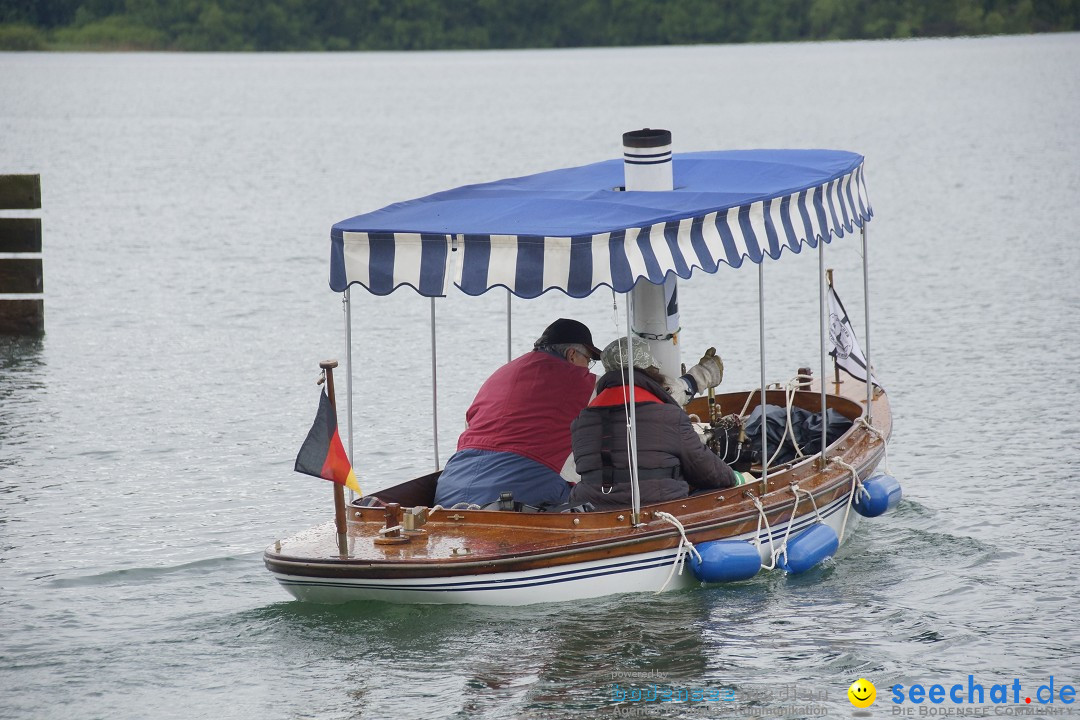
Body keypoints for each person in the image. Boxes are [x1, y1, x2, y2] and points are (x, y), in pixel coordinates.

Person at [433, 318, 602, 508]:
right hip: (521, 490)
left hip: (452, 484)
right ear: (572, 355)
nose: (588, 367)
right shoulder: (583, 381)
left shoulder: (500, 373)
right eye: (588, 360)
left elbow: (470, 423)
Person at [569, 337, 742, 511]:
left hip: (596, 513)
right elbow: (706, 470)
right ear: (650, 371)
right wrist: (735, 478)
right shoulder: (669, 416)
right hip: (658, 511)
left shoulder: (581, 421)